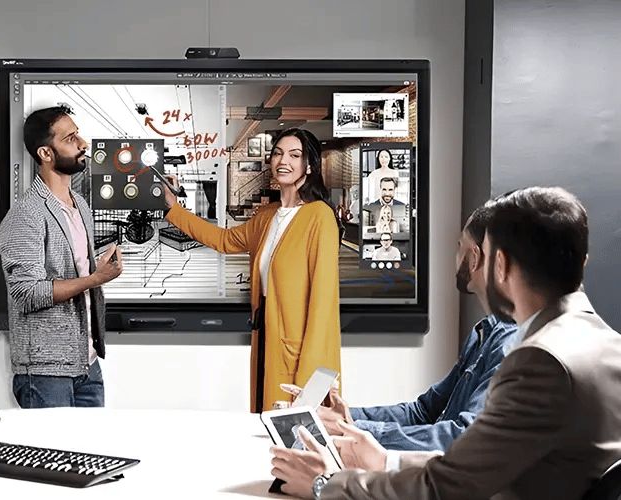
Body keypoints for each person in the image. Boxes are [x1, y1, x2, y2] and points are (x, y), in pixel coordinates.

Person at [269, 186, 621, 500]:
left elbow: (447, 487)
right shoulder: (606, 344)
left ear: (500, 264)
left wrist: (325, 485)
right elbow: (480, 463)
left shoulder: (540, 359)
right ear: (582, 262)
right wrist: (385, 459)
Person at [280, 204, 519, 453]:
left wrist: (349, 430)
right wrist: (333, 415)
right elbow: (423, 411)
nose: (456, 254)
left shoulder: (508, 346)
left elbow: (461, 437)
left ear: (475, 258)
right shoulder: (483, 334)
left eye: (460, 246)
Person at [163, 128, 341, 413]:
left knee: (294, 441)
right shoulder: (267, 216)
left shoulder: (319, 217)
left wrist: (309, 384)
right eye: (279, 153)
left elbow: (322, 305)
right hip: (266, 341)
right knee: (265, 432)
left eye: (295, 155)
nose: (284, 161)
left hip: (298, 354)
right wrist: (174, 209)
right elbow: (224, 240)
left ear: (309, 165)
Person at [0, 106, 123, 408]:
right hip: (45, 372)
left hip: (86, 363)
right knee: (52, 455)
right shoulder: (25, 215)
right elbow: (26, 293)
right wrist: (95, 279)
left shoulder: (79, 205)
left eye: (78, 134)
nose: (83, 144)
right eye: (70, 138)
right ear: (45, 153)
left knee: (91, 455)